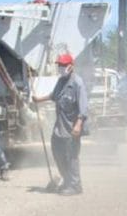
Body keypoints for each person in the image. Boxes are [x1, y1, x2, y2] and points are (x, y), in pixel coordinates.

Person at [32, 53, 89, 195]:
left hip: (71, 129)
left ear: (71, 66)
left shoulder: (78, 83)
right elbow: (54, 95)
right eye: (59, 65)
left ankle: (75, 186)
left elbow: (84, 107)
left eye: (63, 65)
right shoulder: (61, 81)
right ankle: (67, 180)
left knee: (71, 157)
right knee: (58, 155)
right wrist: (39, 99)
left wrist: (78, 125)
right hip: (59, 128)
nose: (61, 68)